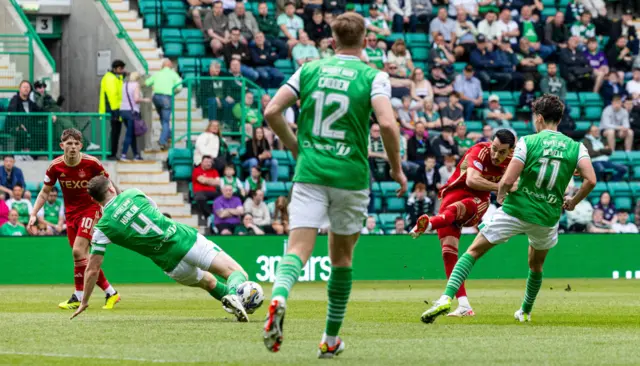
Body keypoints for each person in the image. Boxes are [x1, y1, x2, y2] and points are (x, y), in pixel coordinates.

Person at [261, 12, 407, 357]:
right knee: (341, 259)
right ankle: (329, 340)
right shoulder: (374, 76)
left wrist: (296, 147)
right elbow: (387, 124)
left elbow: (271, 111)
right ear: (366, 38)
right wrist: (397, 169)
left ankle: (279, 296)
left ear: (332, 38)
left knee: (297, 250)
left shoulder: (309, 69)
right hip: (351, 176)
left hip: (310, 172)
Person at [419, 94, 596, 324]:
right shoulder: (577, 147)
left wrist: (501, 198)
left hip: (516, 210)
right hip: (547, 216)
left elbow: (507, 180)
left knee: (473, 252)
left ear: (539, 118)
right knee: (536, 265)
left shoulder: (527, 142)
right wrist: (572, 201)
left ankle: (446, 297)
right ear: (559, 119)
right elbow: (590, 180)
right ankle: (525, 311)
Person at [69, 176, 253, 322]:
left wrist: (84, 301)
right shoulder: (133, 193)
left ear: (94, 200)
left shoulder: (102, 228)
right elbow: (155, 211)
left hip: (170, 263)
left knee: (210, 283)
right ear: (111, 188)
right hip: (184, 239)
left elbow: (92, 269)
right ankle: (235, 292)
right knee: (237, 273)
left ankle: (232, 298)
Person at [411, 130, 516, 316]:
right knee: (448, 252)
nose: (496, 155)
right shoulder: (480, 150)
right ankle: (464, 305)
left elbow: (536, 168)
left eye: (502, 152)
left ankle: (430, 224)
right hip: (451, 194)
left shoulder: (515, 160)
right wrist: (502, 187)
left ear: (510, 151)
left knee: (463, 206)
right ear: (490, 143)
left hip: (478, 201)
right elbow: (472, 180)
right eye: (494, 149)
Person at [28, 128, 119, 310]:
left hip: (90, 209)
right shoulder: (55, 167)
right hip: (70, 215)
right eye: (69, 143)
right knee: (83, 257)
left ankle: (77, 296)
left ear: (81, 146)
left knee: (78, 251)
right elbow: (45, 192)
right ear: (62, 146)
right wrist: (33, 213)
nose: (73, 147)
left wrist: (114, 206)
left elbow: (108, 185)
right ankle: (111, 292)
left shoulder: (91, 163)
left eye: (76, 144)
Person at [146, 59, 183, 150]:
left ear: (162, 66)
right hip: (167, 97)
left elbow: (147, 83)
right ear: (171, 66)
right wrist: (173, 92)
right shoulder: (173, 74)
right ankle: (163, 140)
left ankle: (168, 134)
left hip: (156, 97)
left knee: (162, 118)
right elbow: (179, 87)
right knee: (166, 120)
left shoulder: (157, 73)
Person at [99, 60, 125, 160]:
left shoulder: (116, 78)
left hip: (115, 110)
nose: (122, 71)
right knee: (114, 132)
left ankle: (113, 153)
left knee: (116, 133)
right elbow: (112, 96)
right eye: (120, 69)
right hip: (111, 110)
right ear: (115, 69)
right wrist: (116, 112)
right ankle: (111, 154)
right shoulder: (110, 78)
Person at [120, 72, 149, 161]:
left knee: (131, 133)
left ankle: (136, 155)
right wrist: (145, 99)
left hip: (123, 111)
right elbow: (136, 99)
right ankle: (123, 154)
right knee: (129, 134)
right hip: (132, 112)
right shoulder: (136, 85)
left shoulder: (124, 84)